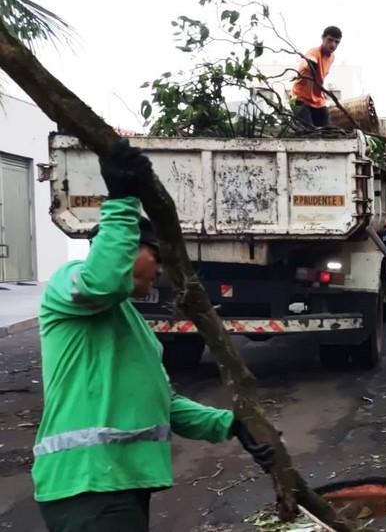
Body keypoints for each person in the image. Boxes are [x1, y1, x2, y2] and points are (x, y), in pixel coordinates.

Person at [32, 140, 275, 532]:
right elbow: (103, 281)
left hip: (115, 483)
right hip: (87, 484)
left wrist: (230, 424)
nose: (160, 268)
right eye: (155, 256)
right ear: (124, 246)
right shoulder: (70, 284)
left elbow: (163, 402)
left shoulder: (131, 323)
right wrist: (122, 202)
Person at [292, 26, 342, 130]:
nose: (333, 45)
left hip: (318, 100)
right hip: (301, 99)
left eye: (337, 42)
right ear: (323, 38)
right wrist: (311, 64)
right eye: (330, 40)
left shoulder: (332, 57)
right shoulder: (314, 52)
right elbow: (309, 61)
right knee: (308, 132)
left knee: (327, 132)